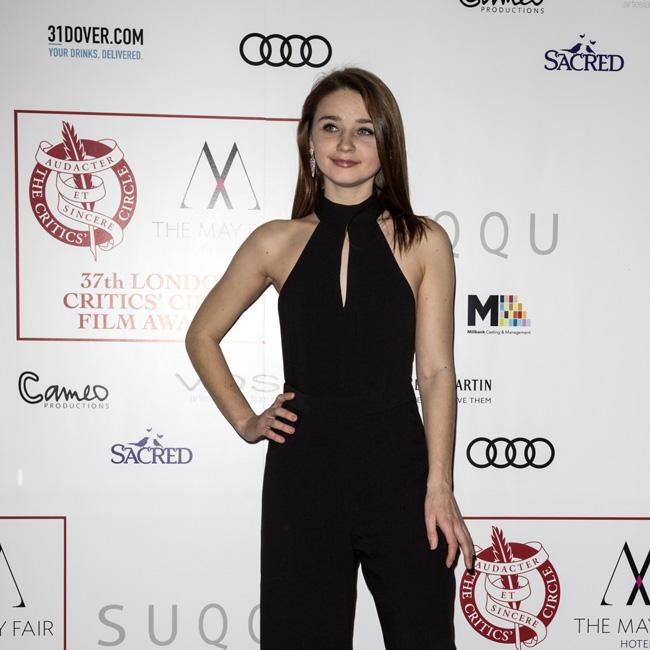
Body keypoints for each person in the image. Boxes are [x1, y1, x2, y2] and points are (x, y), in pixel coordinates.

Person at [185, 66, 475, 650]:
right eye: (330, 127)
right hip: (304, 479)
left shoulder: (423, 241)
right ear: (309, 141)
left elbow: (436, 372)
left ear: (386, 144)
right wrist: (246, 421)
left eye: (364, 130)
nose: (346, 143)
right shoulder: (275, 241)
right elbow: (202, 335)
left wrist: (439, 486)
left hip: (401, 476)